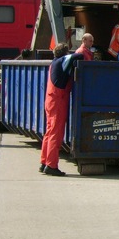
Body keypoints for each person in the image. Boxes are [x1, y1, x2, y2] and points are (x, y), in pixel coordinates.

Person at [39, 43, 84, 176]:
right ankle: (51, 165)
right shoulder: (62, 61)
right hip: (58, 100)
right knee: (56, 134)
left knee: (49, 132)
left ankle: (44, 162)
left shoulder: (54, 63)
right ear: (65, 53)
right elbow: (78, 55)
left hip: (50, 99)